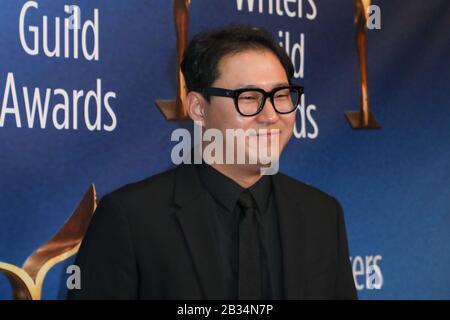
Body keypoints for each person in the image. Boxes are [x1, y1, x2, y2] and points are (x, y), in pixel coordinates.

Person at [68, 25, 357, 300]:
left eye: (281, 96)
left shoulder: (322, 215)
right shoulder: (130, 219)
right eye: (248, 97)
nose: (270, 115)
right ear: (197, 108)